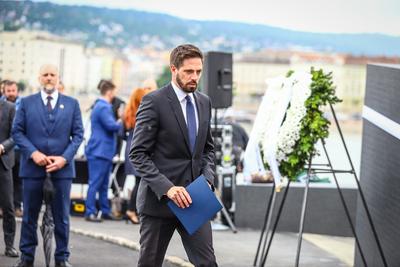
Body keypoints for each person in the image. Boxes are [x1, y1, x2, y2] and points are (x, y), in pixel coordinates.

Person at [130, 44, 217, 267]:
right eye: (188, 71)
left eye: (198, 71)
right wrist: (168, 188)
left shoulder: (204, 102)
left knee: (207, 263)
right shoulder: (154, 101)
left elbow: (207, 149)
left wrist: (207, 179)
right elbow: (138, 154)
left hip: (195, 198)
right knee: (149, 264)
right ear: (173, 69)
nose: (194, 77)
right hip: (159, 202)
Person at [12, 64, 84, 267]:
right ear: (39, 78)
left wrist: (64, 158)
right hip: (33, 169)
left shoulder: (72, 104)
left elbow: (78, 135)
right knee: (29, 216)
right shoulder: (26, 103)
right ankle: (26, 258)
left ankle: (62, 258)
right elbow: (17, 131)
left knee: (62, 217)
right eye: (45, 75)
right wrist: (33, 153)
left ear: (58, 78)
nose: (49, 78)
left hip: (62, 170)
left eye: (53, 75)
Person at [84, 79, 123, 222]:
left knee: (104, 183)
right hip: (100, 151)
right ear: (109, 92)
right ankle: (90, 211)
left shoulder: (98, 106)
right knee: (95, 182)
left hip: (101, 151)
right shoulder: (104, 107)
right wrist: (120, 118)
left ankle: (104, 210)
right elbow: (112, 126)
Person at [123, 82, 156, 224]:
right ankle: (132, 210)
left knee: (139, 180)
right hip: (140, 149)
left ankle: (134, 210)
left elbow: (121, 132)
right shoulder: (143, 111)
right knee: (140, 181)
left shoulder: (129, 112)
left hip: (130, 147)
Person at [0, 99, 19, 258]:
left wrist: (2, 147)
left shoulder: (10, 108)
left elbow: (16, 135)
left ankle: (10, 245)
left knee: (8, 206)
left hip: (3, 163)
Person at [2, 80, 23, 217]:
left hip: (20, 149)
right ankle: (3, 207)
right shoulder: (2, 106)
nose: (11, 93)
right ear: (4, 92)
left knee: (17, 180)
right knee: (4, 181)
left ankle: (17, 206)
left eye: (13, 90)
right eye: (8, 91)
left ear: (17, 91)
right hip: (4, 152)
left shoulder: (24, 105)